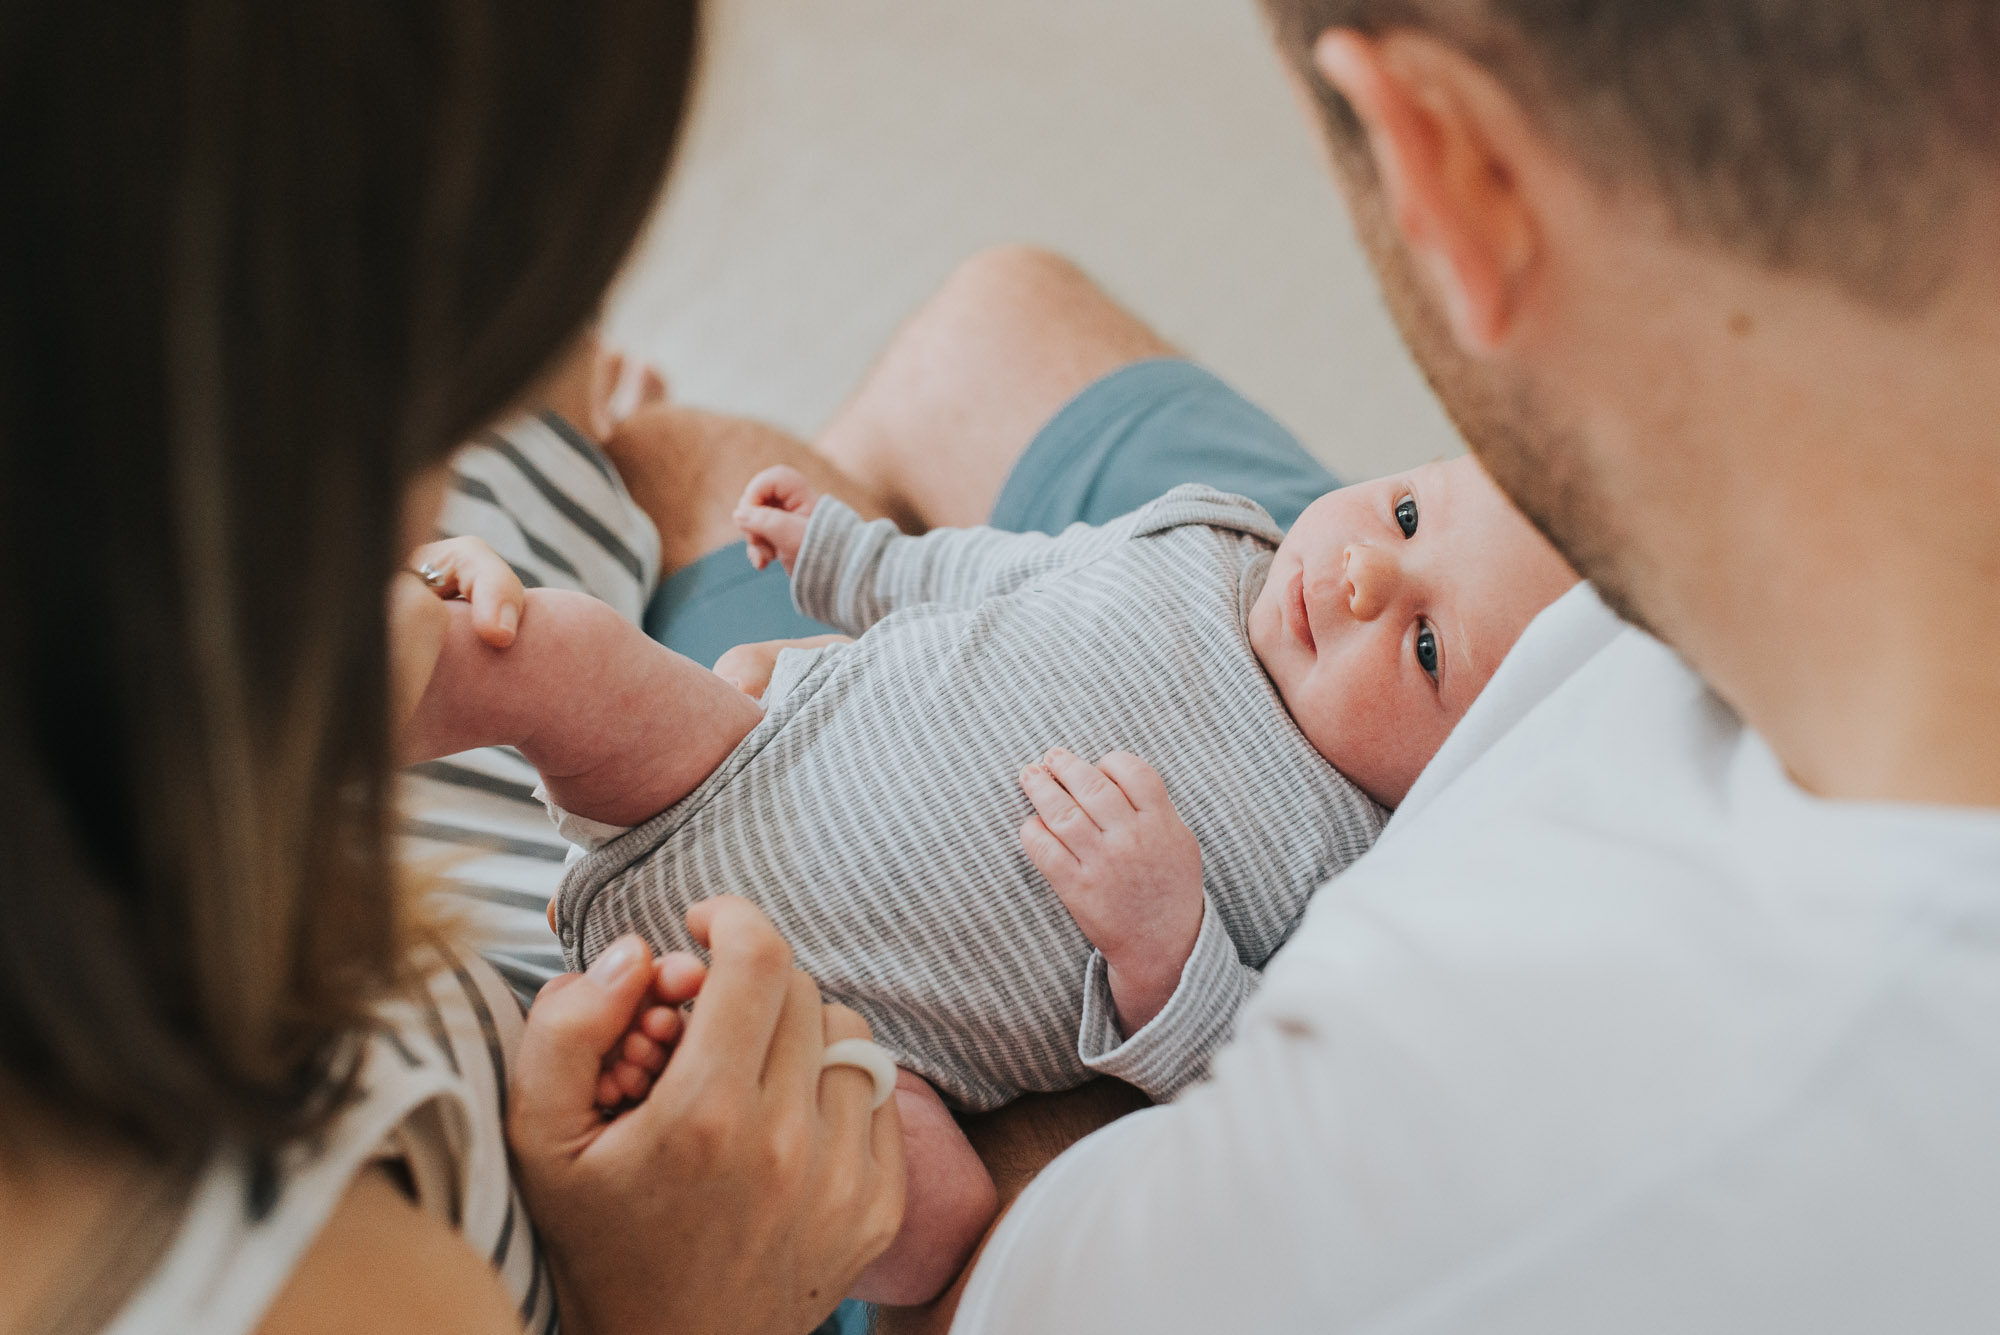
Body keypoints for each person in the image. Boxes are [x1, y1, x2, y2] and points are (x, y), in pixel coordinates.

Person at [856, 2, 2000, 1330]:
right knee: (993, 323)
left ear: (1449, 172)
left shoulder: (1447, 1165)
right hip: (1417, 650)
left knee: (698, 469)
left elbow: (964, 1280)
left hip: (1236, 934)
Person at [0, 5, 904, 1335]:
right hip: (650, 1245)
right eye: (465, 374)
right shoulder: (338, 1291)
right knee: (811, 416)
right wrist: (682, 1304)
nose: (461, 460)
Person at [397, 453, 1573, 1301]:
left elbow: (1265, 1069)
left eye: (1424, 646)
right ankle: (354, 692)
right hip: (737, 763)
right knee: (554, 649)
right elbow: (998, 572)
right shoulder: (1213, 537)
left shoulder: (1359, 862)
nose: (1365, 573)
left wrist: (1166, 945)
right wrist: (852, 556)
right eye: (1407, 512)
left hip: (861, 1037)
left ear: (1459, 768)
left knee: (935, 1223)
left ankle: (655, 1051)